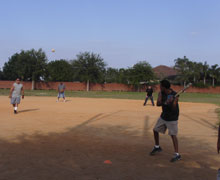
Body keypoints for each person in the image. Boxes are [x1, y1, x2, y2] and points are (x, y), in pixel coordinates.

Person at [149, 79, 181, 162]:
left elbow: (174, 108)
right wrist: (165, 102)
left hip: (172, 117)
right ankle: (157, 147)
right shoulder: (161, 93)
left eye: (160, 86)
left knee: (173, 135)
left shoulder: (175, 95)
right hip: (164, 116)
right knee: (155, 130)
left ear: (164, 87)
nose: (159, 87)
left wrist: (173, 102)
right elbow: (158, 104)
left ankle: (177, 154)